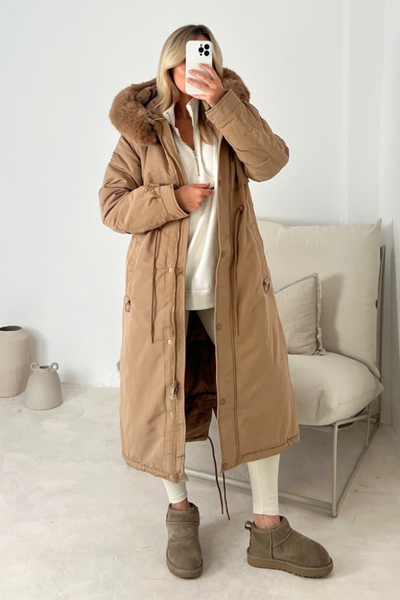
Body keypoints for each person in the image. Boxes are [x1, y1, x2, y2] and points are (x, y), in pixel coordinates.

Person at [99, 24, 333, 580]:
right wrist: (172, 199)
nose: (194, 68)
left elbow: (271, 162)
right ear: (168, 64)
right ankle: (180, 514)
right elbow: (111, 206)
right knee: (163, 398)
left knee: (259, 394)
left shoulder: (231, 116)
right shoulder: (143, 130)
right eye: (185, 59)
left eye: (203, 57)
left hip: (233, 290)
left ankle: (269, 528)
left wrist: (223, 102)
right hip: (161, 293)